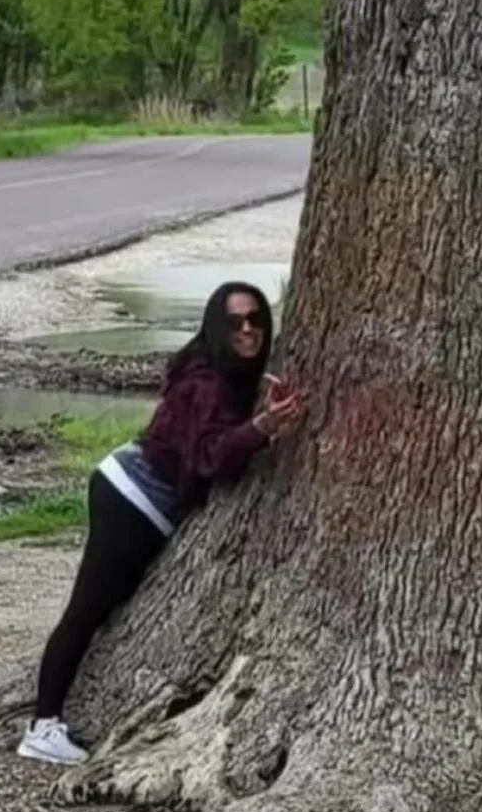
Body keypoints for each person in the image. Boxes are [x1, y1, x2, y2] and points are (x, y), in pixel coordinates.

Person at [18, 280, 305, 766]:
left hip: (134, 495)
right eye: (235, 322)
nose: (249, 330)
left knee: (103, 608)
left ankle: (48, 713)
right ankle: (42, 727)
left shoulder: (221, 373)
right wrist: (261, 429)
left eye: (256, 319)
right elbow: (208, 457)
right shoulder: (206, 383)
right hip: (131, 499)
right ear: (217, 327)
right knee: (87, 609)